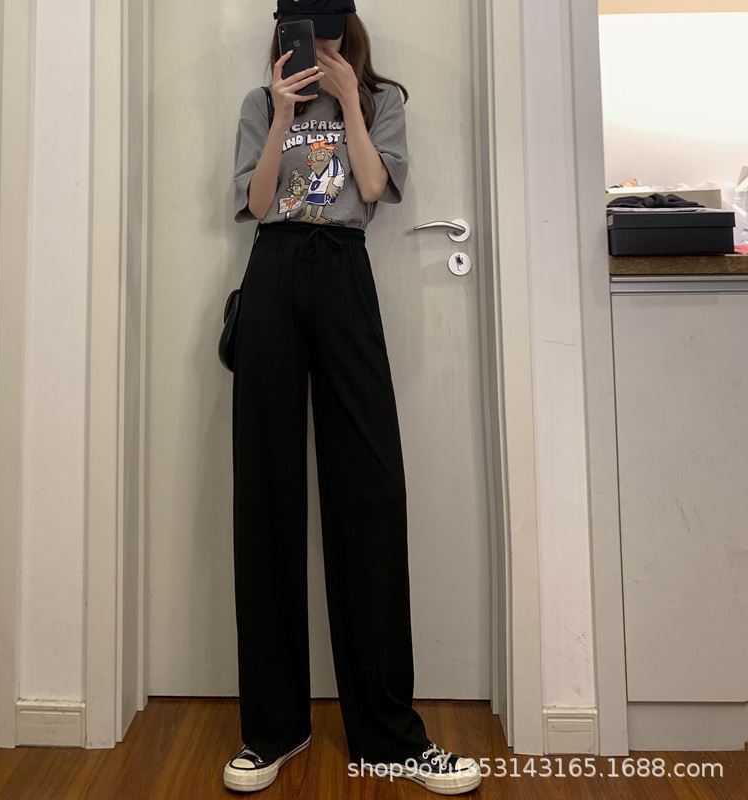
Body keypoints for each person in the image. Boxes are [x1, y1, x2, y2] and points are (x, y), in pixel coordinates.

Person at [224, 1, 482, 794]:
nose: (321, 41)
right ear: (284, 31)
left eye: (332, 27)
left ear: (350, 28)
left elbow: (370, 188)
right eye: (307, 27)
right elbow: (258, 206)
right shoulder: (259, 103)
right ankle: (274, 729)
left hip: (343, 271)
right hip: (272, 273)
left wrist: (350, 103)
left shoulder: (384, 100)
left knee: (369, 493)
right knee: (267, 494)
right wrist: (281, 116)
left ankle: (389, 735)